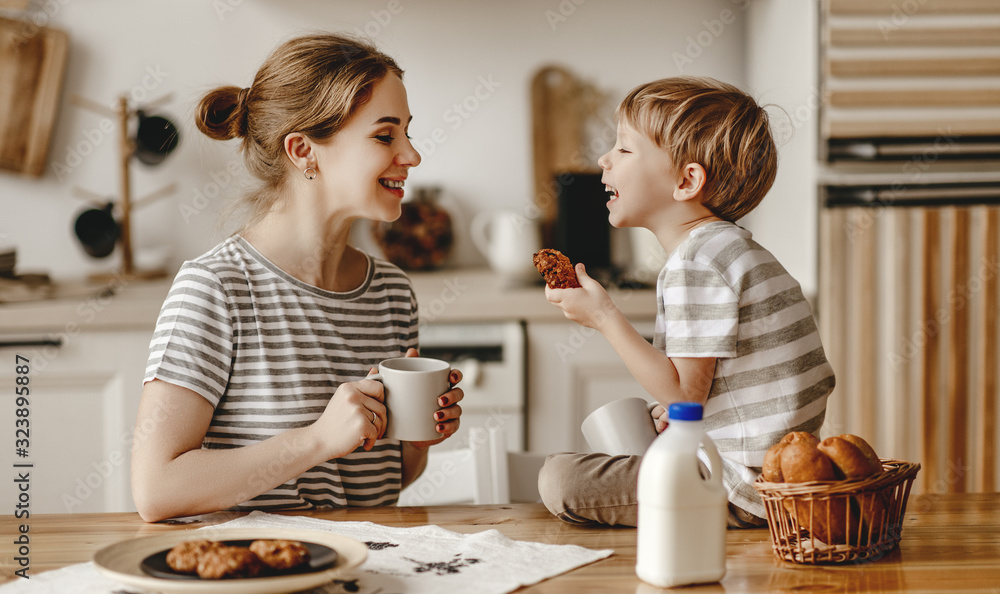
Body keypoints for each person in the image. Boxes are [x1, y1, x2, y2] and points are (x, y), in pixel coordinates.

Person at [131, 33, 464, 523]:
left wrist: (414, 440)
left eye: (408, 133)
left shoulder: (392, 293)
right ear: (303, 150)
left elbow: (380, 487)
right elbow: (156, 490)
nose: (411, 155)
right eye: (385, 135)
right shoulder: (217, 289)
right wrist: (316, 441)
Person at [537, 76, 835, 528]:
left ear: (686, 179)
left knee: (559, 478)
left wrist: (602, 316)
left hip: (740, 488)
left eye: (623, 149)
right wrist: (677, 416)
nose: (604, 159)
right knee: (638, 419)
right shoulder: (728, 250)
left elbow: (683, 397)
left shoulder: (696, 262)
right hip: (771, 476)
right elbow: (709, 390)